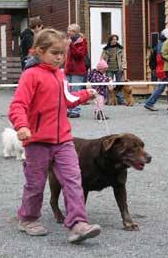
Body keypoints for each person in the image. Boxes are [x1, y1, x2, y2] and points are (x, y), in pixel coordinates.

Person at [8, 28, 101, 244]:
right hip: (37, 142)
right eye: (55, 53)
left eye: (62, 54)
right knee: (35, 183)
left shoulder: (60, 75)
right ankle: (28, 218)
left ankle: (78, 223)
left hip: (64, 141)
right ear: (39, 51)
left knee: (73, 179)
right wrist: (21, 126)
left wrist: (86, 93)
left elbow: (67, 99)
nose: (60, 58)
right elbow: (18, 105)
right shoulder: (30, 75)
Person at [65, 24, 88, 118]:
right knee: (67, 90)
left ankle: (75, 110)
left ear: (75, 32)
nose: (68, 32)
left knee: (75, 90)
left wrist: (71, 45)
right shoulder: (67, 41)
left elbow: (79, 55)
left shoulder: (82, 42)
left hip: (77, 70)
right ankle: (68, 108)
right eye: (68, 30)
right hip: (68, 69)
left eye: (70, 30)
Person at [144, 28, 168, 111]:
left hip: (159, 68)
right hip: (164, 68)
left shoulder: (159, 44)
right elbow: (162, 58)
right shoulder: (164, 44)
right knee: (162, 87)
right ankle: (149, 102)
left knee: (167, 86)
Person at [101, 34, 125, 104]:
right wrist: (102, 67)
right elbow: (102, 59)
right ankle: (109, 100)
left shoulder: (120, 48)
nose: (115, 41)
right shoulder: (106, 49)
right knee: (109, 85)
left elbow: (123, 58)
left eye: (116, 39)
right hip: (109, 69)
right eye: (113, 39)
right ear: (110, 40)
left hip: (118, 69)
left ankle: (120, 99)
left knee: (119, 84)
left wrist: (123, 67)